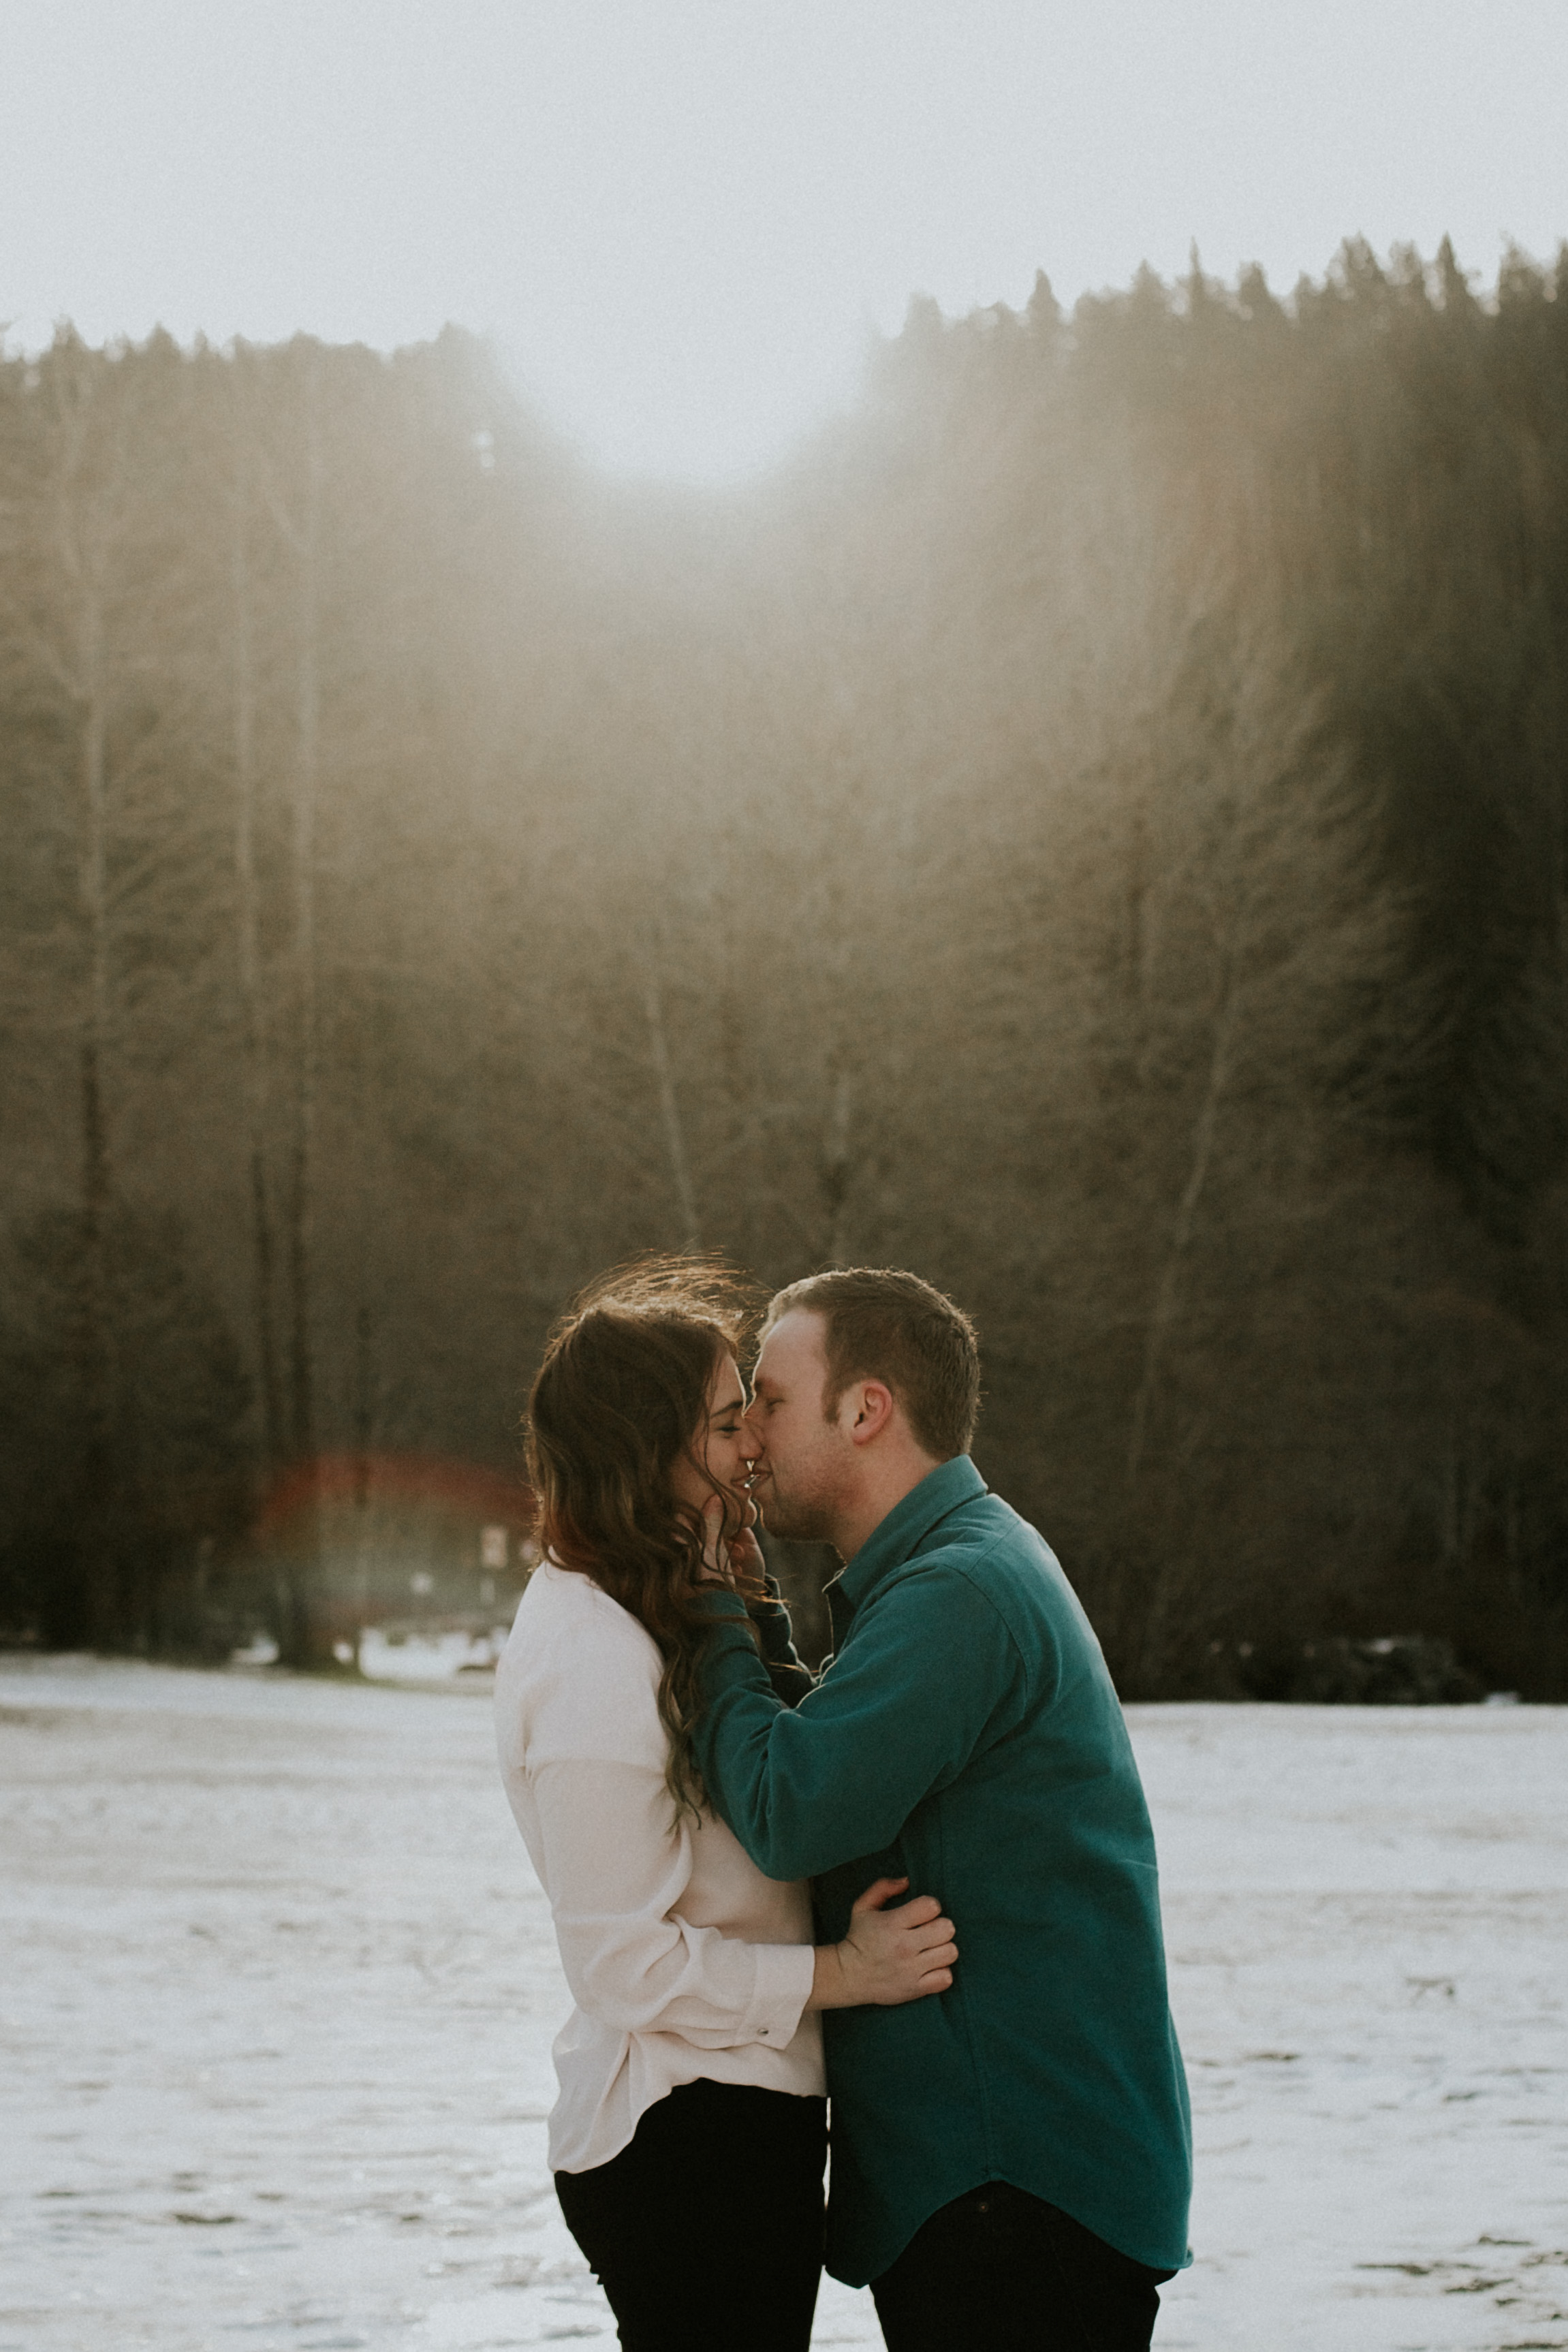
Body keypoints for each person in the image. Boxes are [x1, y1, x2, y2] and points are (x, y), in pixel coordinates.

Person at [693, 1266, 1193, 2352]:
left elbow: (788, 1806)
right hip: (1010, 2184)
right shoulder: (955, 1567)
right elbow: (829, 1752)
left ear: (865, 1409)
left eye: (770, 1400)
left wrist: (706, 1611)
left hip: (1014, 2188)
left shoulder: (954, 1593)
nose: (747, 1438)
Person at [493, 1262, 958, 2352]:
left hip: (736, 2117)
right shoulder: (591, 1657)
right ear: (643, 1450)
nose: (751, 1441)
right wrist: (843, 1974)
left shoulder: (649, 1611)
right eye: (721, 1422)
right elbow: (622, 1964)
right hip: (682, 2131)